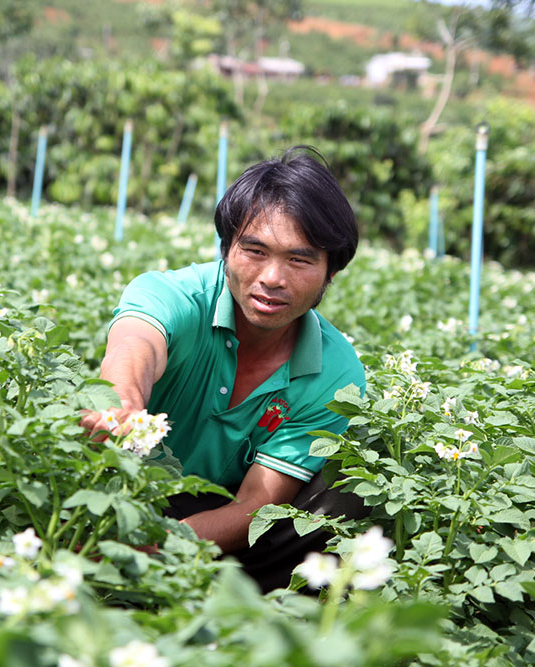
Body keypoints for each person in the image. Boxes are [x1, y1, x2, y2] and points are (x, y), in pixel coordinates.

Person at [80, 146, 367, 591]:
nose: (272, 277)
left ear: (330, 271)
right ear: (226, 249)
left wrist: (156, 547)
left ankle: (251, 606)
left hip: (225, 525)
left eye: (299, 259)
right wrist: (121, 403)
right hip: (127, 488)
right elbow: (135, 345)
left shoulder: (336, 373)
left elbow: (255, 505)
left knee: (346, 487)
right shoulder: (173, 295)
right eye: (254, 250)